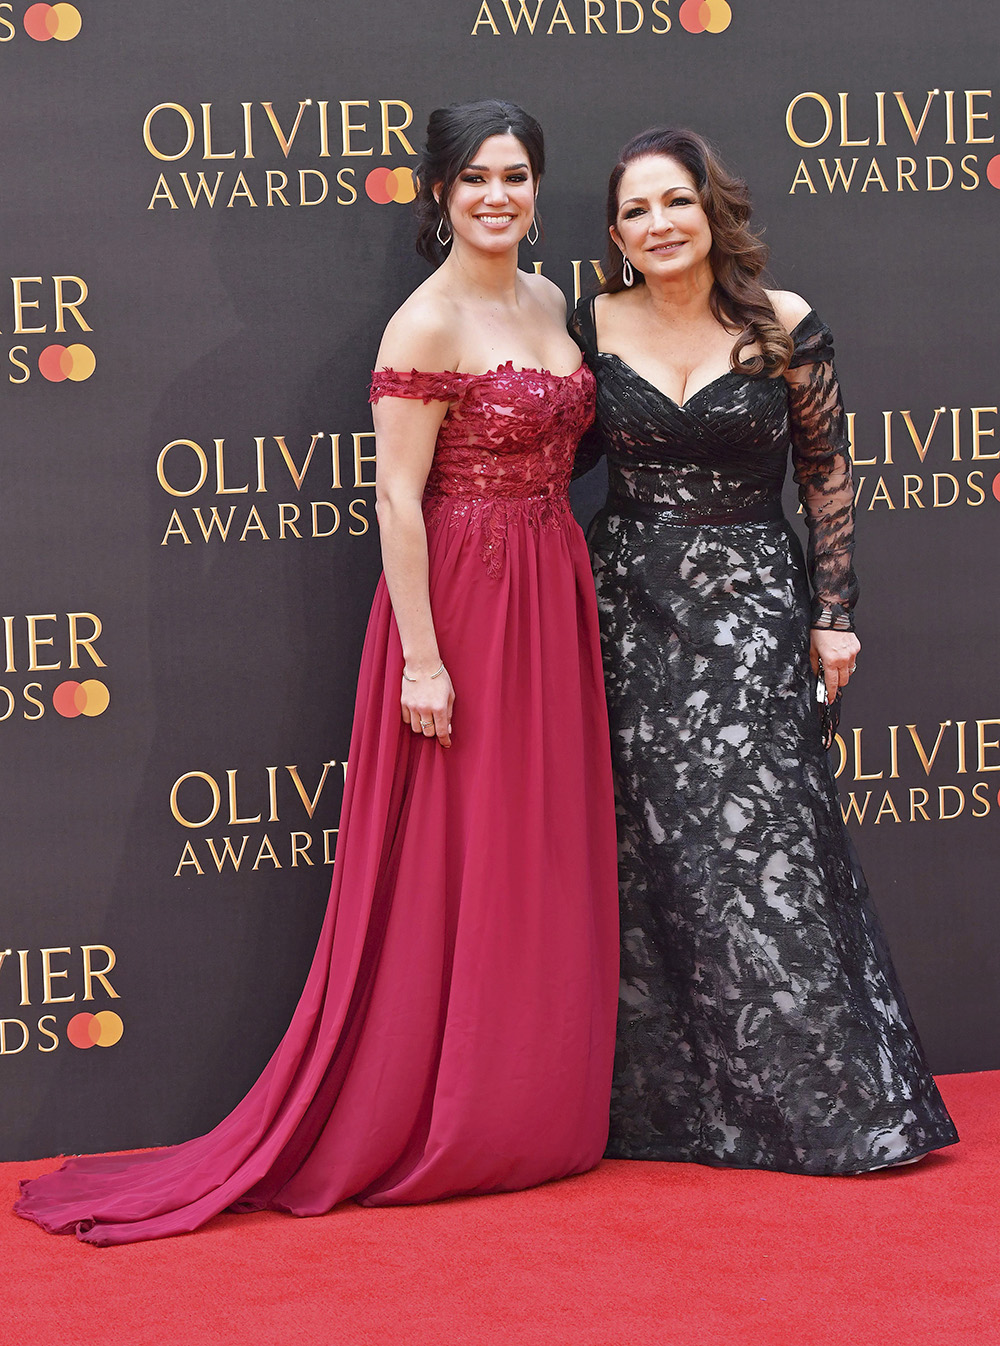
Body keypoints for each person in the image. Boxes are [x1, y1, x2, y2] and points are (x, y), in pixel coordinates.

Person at [16, 100, 619, 1245]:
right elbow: (397, 496)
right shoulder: (425, 322)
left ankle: (533, 1100)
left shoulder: (547, 300)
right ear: (438, 193)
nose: (499, 195)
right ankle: (455, 1113)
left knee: (537, 837)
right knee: (466, 846)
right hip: (466, 597)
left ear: (538, 188)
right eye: (476, 178)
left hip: (553, 586)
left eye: (518, 176)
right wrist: (425, 658)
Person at [569, 127, 958, 1175]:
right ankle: (666, 1111)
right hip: (628, 608)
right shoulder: (591, 320)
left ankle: (830, 1109)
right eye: (637, 210)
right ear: (614, 235)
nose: (658, 224)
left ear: (712, 210)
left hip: (753, 604)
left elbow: (825, 472)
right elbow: (552, 456)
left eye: (675, 202)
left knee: (769, 845)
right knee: (651, 849)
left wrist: (834, 609)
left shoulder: (783, 324)